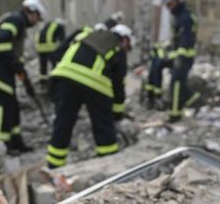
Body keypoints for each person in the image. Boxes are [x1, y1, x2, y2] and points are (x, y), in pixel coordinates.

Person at [45, 25, 131, 169]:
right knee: (103, 126)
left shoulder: (86, 35)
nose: (127, 49)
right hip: (93, 82)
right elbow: (118, 84)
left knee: (63, 123)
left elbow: (57, 52)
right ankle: (109, 163)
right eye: (128, 45)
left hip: (64, 77)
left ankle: (54, 165)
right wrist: (117, 112)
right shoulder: (117, 48)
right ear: (124, 39)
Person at [0, 0, 47, 153]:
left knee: (13, 106)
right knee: (3, 106)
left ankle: (16, 141)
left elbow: (10, 48)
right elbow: (1, 42)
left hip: (1, 70)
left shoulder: (16, 21)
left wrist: (19, 69)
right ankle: (1, 144)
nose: (36, 22)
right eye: (37, 18)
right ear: (32, 12)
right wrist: (16, 66)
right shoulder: (16, 21)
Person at [159, 0, 198, 122]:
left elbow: (186, 42)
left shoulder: (185, 17)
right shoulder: (178, 16)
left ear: (176, 1)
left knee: (175, 84)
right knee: (180, 84)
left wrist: (175, 55)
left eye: (169, 4)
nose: (168, 7)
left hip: (184, 57)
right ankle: (194, 100)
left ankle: (174, 115)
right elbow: (177, 39)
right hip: (180, 55)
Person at [35, 18, 66, 82]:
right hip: (49, 47)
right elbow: (63, 40)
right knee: (55, 64)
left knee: (43, 65)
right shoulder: (60, 26)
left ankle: (42, 81)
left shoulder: (49, 24)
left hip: (39, 46)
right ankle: (54, 80)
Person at [143, 41, 168, 108]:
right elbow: (161, 58)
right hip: (156, 67)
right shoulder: (159, 50)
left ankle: (151, 100)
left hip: (155, 66)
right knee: (156, 82)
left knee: (152, 82)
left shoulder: (156, 50)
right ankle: (156, 100)